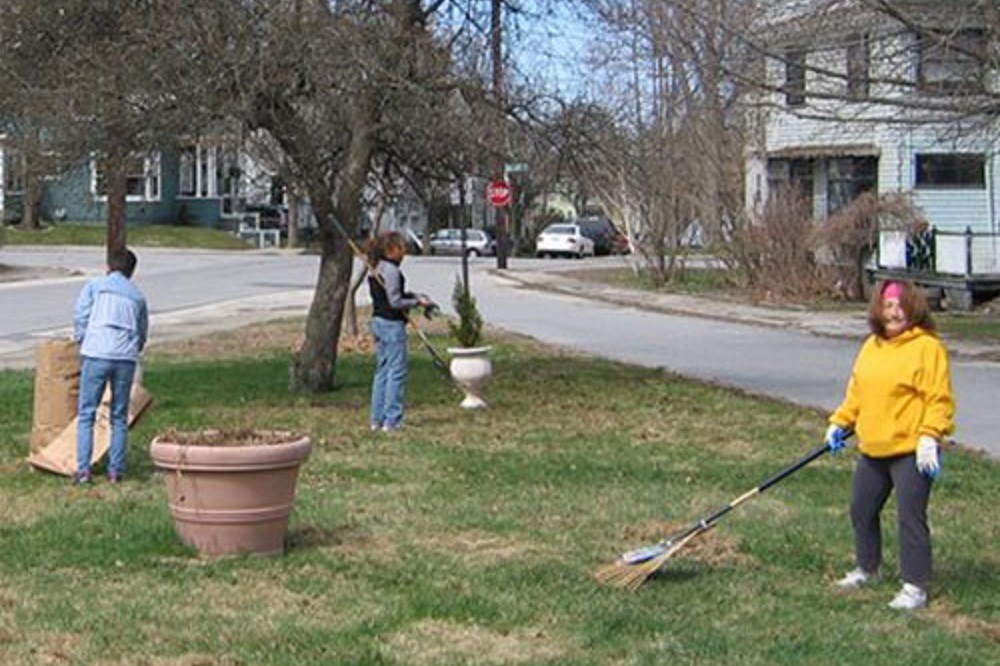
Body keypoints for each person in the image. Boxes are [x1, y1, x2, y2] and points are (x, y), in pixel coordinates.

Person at [825, 280, 954, 610]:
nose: (894, 313)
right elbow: (858, 392)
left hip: (912, 450)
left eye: (901, 306)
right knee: (862, 509)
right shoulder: (872, 346)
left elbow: (938, 399)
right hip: (873, 448)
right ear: (878, 311)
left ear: (913, 309)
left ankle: (914, 586)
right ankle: (868, 568)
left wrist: (930, 436)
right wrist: (840, 422)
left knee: (910, 517)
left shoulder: (927, 347)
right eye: (888, 306)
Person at [73, 248, 149, 484]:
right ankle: (116, 471)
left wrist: (83, 340)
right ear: (132, 272)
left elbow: (81, 315)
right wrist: (134, 349)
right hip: (125, 358)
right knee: (119, 416)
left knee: (87, 413)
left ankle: (83, 470)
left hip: (96, 352)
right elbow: (142, 332)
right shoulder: (137, 297)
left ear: (108, 267)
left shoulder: (95, 286)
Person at [367, 231, 433, 432]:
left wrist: (412, 295)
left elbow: (391, 294)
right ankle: (392, 420)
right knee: (396, 371)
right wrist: (417, 302)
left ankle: (376, 420)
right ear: (391, 250)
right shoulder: (391, 271)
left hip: (378, 321)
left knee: (382, 370)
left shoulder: (375, 268)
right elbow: (395, 301)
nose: (404, 253)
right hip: (391, 325)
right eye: (401, 249)